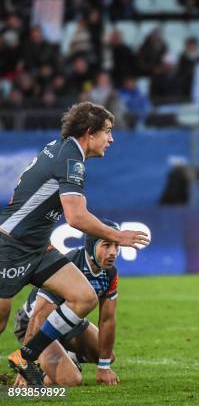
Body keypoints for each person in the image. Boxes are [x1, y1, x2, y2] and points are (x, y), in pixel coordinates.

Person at [0, 102, 150, 385]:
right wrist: (119, 236)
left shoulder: (64, 150)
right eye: (107, 131)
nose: (111, 138)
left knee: (84, 297)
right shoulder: (71, 159)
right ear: (90, 133)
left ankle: (26, 357)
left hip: (38, 247)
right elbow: (76, 217)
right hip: (10, 246)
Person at [14, 219, 123, 387]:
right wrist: (26, 366)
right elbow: (39, 315)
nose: (113, 252)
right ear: (92, 245)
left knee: (107, 355)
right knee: (70, 380)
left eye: (117, 246)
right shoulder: (68, 265)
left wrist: (104, 367)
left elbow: (107, 320)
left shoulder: (110, 273)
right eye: (107, 245)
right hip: (35, 327)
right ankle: (39, 368)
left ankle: (67, 356)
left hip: (68, 324)